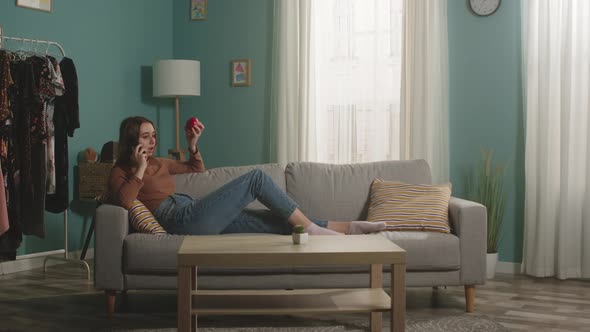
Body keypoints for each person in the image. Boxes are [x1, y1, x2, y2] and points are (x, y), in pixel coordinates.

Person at [107, 116, 386, 236]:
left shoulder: (160, 162)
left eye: (154, 135)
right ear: (132, 140)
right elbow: (123, 202)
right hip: (178, 220)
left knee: (274, 221)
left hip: (191, 209)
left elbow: (195, 169)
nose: (153, 141)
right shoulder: (121, 171)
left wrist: (192, 146)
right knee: (256, 178)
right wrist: (140, 169)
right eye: (146, 136)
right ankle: (314, 230)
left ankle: (348, 228)